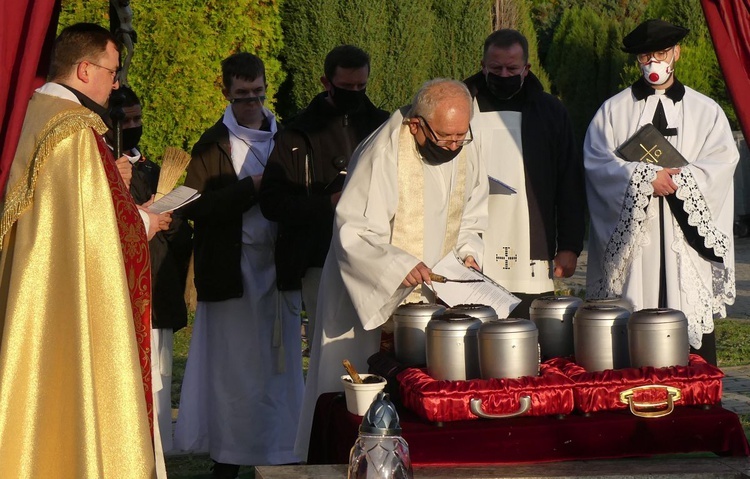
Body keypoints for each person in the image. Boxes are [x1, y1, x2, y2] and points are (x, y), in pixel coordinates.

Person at [295, 78, 489, 460]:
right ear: (416, 125)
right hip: (370, 293)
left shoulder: (463, 143)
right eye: (445, 138)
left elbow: (472, 210)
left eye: (459, 138)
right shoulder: (381, 153)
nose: (453, 147)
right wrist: (398, 265)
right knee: (356, 403)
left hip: (432, 296)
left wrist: (468, 252)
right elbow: (354, 229)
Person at [0, 23, 156, 477]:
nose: (116, 83)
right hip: (67, 290)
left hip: (30, 284)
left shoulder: (30, 111)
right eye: (111, 71)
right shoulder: (74, 129)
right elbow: (102, 233)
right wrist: (146, 219)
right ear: (85, 69)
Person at [173, 52, 304, 479]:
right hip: (232, 270)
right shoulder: (212, 145)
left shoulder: (289, 138)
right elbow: (197, 206)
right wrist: (251, 187)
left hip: (278, 267)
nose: (251, 100)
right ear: (225, 90)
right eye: (242, 93)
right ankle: (227, 456)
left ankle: (283, 449)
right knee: (231, 372)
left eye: (257, 92)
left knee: (278, 368)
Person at [584, 19, 738, 365]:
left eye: (662, 52)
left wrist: (681, 182)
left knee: (690, 330)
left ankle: (694, 402)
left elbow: (723, 162)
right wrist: (642, 178)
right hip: (640, 244)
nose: (654, 61)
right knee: (634, 328)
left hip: (685, 243)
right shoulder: (613, 111)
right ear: (637, 60)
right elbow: (596, 164)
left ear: (676, 53)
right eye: (646, 55)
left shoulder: (706, 110)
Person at [259, 45, 389, 352]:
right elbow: (272, 202)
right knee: (328, 345)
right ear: (325, 82)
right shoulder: (296, 133)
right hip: (319, 256)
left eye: (361, 86)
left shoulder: (383, 126)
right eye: (346, 87)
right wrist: (328, 203)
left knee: (377, 346)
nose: (355, 93)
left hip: (375, 254)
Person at [464, 29, 586, 318]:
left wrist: (569, 245)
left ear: (526, 68)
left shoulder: (550, 111)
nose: (503, 75)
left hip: (530, 244)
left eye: (512, 68)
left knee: (527, 339)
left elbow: (569, 181)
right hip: (472, 245)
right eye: (495, 69)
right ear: (483, 66)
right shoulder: (462, 107)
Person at [117, 86, 193, 456]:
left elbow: (181, 239)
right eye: (125, 120)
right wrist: (142, 218)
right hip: (121, 288)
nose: (133, 126)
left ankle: (157, 449)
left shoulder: (151, 170)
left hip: (158, 286)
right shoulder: (103, 169)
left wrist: (170, 220)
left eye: (137, 118)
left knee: (160, 376)